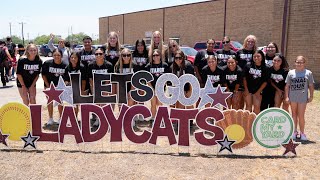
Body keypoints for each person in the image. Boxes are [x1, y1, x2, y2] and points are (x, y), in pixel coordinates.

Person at [285, 56, 314, 141]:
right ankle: (294, 132)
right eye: (297, 62)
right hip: (293, 97)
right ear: (295, 63)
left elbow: (311, 86)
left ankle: (302, 133)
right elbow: (287, 86)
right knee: (294, 114)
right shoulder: (291, 73)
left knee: (301, 115)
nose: (299, 64)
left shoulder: (308, 73)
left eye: (301, 62)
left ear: (304, 63)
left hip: (302, 98)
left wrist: (311, 96)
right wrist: (287, 96)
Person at [87, 48, 114, 127]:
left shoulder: (109, 65)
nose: (98, 55)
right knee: (97, 104)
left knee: (104, 104)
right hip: (95, 87)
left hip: (105, 87)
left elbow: (110, 78)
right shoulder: (91, 65)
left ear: (104, 55)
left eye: (100, 54)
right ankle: (98, 119)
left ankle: (104, 119)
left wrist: (105, 89)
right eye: (96, 54)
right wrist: (93, 89)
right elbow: (90, 78)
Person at [42, 49, 67, 125]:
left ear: (61, 56)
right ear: (52, 55)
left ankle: (60, 118)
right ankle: (50, 118)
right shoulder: (47, 63)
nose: (56, 56)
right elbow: (43, 75)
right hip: (49, 85)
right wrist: (48, 85)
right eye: (55, 55)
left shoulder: (65, 65)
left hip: (60, 87)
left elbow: (66, 78)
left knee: (60, 102)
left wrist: (62, 87)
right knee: (50, 101)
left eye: (58, 55)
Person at [145, 49, 170, 122]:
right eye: (154, 55)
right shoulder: (148, 66)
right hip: (151, 88)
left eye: (157, 55)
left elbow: (166, 77)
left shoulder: (165, 65)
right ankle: (153, 119)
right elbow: (147, 79)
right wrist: (151, 88)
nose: (155, 57)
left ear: (160, 56)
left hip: (161, 88)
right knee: (153, 103)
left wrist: (161, 88)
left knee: (159, 103)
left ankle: (160, 118)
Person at [243, 50, 268, 114]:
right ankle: (247, 123)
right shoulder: (248, 65)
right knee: (248, 107)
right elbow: (244, 78)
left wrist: (258, 92)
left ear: (262, 57)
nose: (256, 58)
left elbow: (265, 82)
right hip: (248, 89)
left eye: (258, 56)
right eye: (254, 56)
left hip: (258, 90)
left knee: (257, 107)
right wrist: (246, 89)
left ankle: (255, 123)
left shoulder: (265, 68)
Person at [63, 52, 87, 117]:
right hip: (71, 88)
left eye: (75, 58)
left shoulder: (82, 67)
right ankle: (74, 118)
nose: (73, 59)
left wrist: (82, 90)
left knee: (80, 104)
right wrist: (67, 86)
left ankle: (82, 118)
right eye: (72, 57)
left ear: (78, 58)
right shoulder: (67, 67)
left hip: (80, 88)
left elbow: (84, 80)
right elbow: (65, 79)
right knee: (73, 104)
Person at [261, 42, 280, 111]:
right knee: (263, 105)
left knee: (273, 105)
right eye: (269, 47)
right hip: (263, 85)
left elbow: (285, 68)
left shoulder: (278, 57)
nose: (270, 49)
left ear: (276, 49)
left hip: (274, 85)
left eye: (272, 47)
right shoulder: (263, 57)